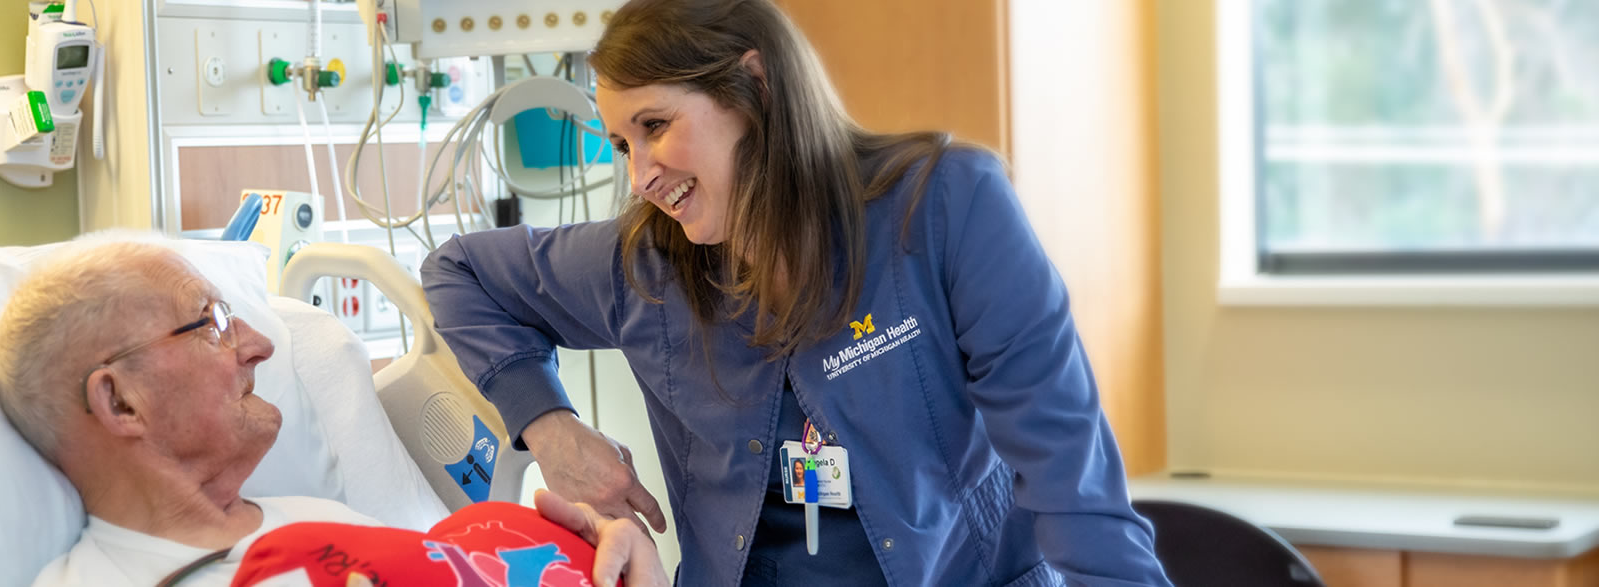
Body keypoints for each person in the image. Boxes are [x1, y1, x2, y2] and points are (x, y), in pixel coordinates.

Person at [419, 0, 1173, 585]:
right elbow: (458, 273)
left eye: (656, 124)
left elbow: (1072, 481)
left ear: (754, 84)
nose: (640, 173)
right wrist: (550, 429)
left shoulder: (943, 210)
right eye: (622, 143)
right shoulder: (645, 264)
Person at [0, 240, 668, 587]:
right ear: (120, 400)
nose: (256, 345)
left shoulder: (318, 523)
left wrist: (623, 561)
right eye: (212, 323)